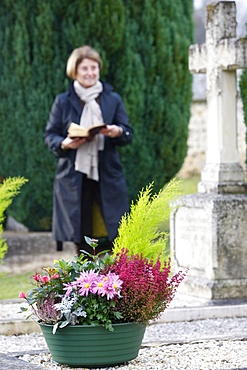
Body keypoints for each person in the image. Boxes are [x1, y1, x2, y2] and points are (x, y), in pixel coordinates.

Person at [45, 45, 133, 256]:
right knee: (81, 231)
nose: (90, 73)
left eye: (94, 68)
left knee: (115, 230)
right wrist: (65, 143)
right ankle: (83, 280)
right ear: (74, 71)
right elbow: (50, 135)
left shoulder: (112, 99)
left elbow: (128, 132)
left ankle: (114, 281)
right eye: (85, 68)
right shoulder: (63, 101)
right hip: (75, 176)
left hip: (107, 173)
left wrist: (117, 131)